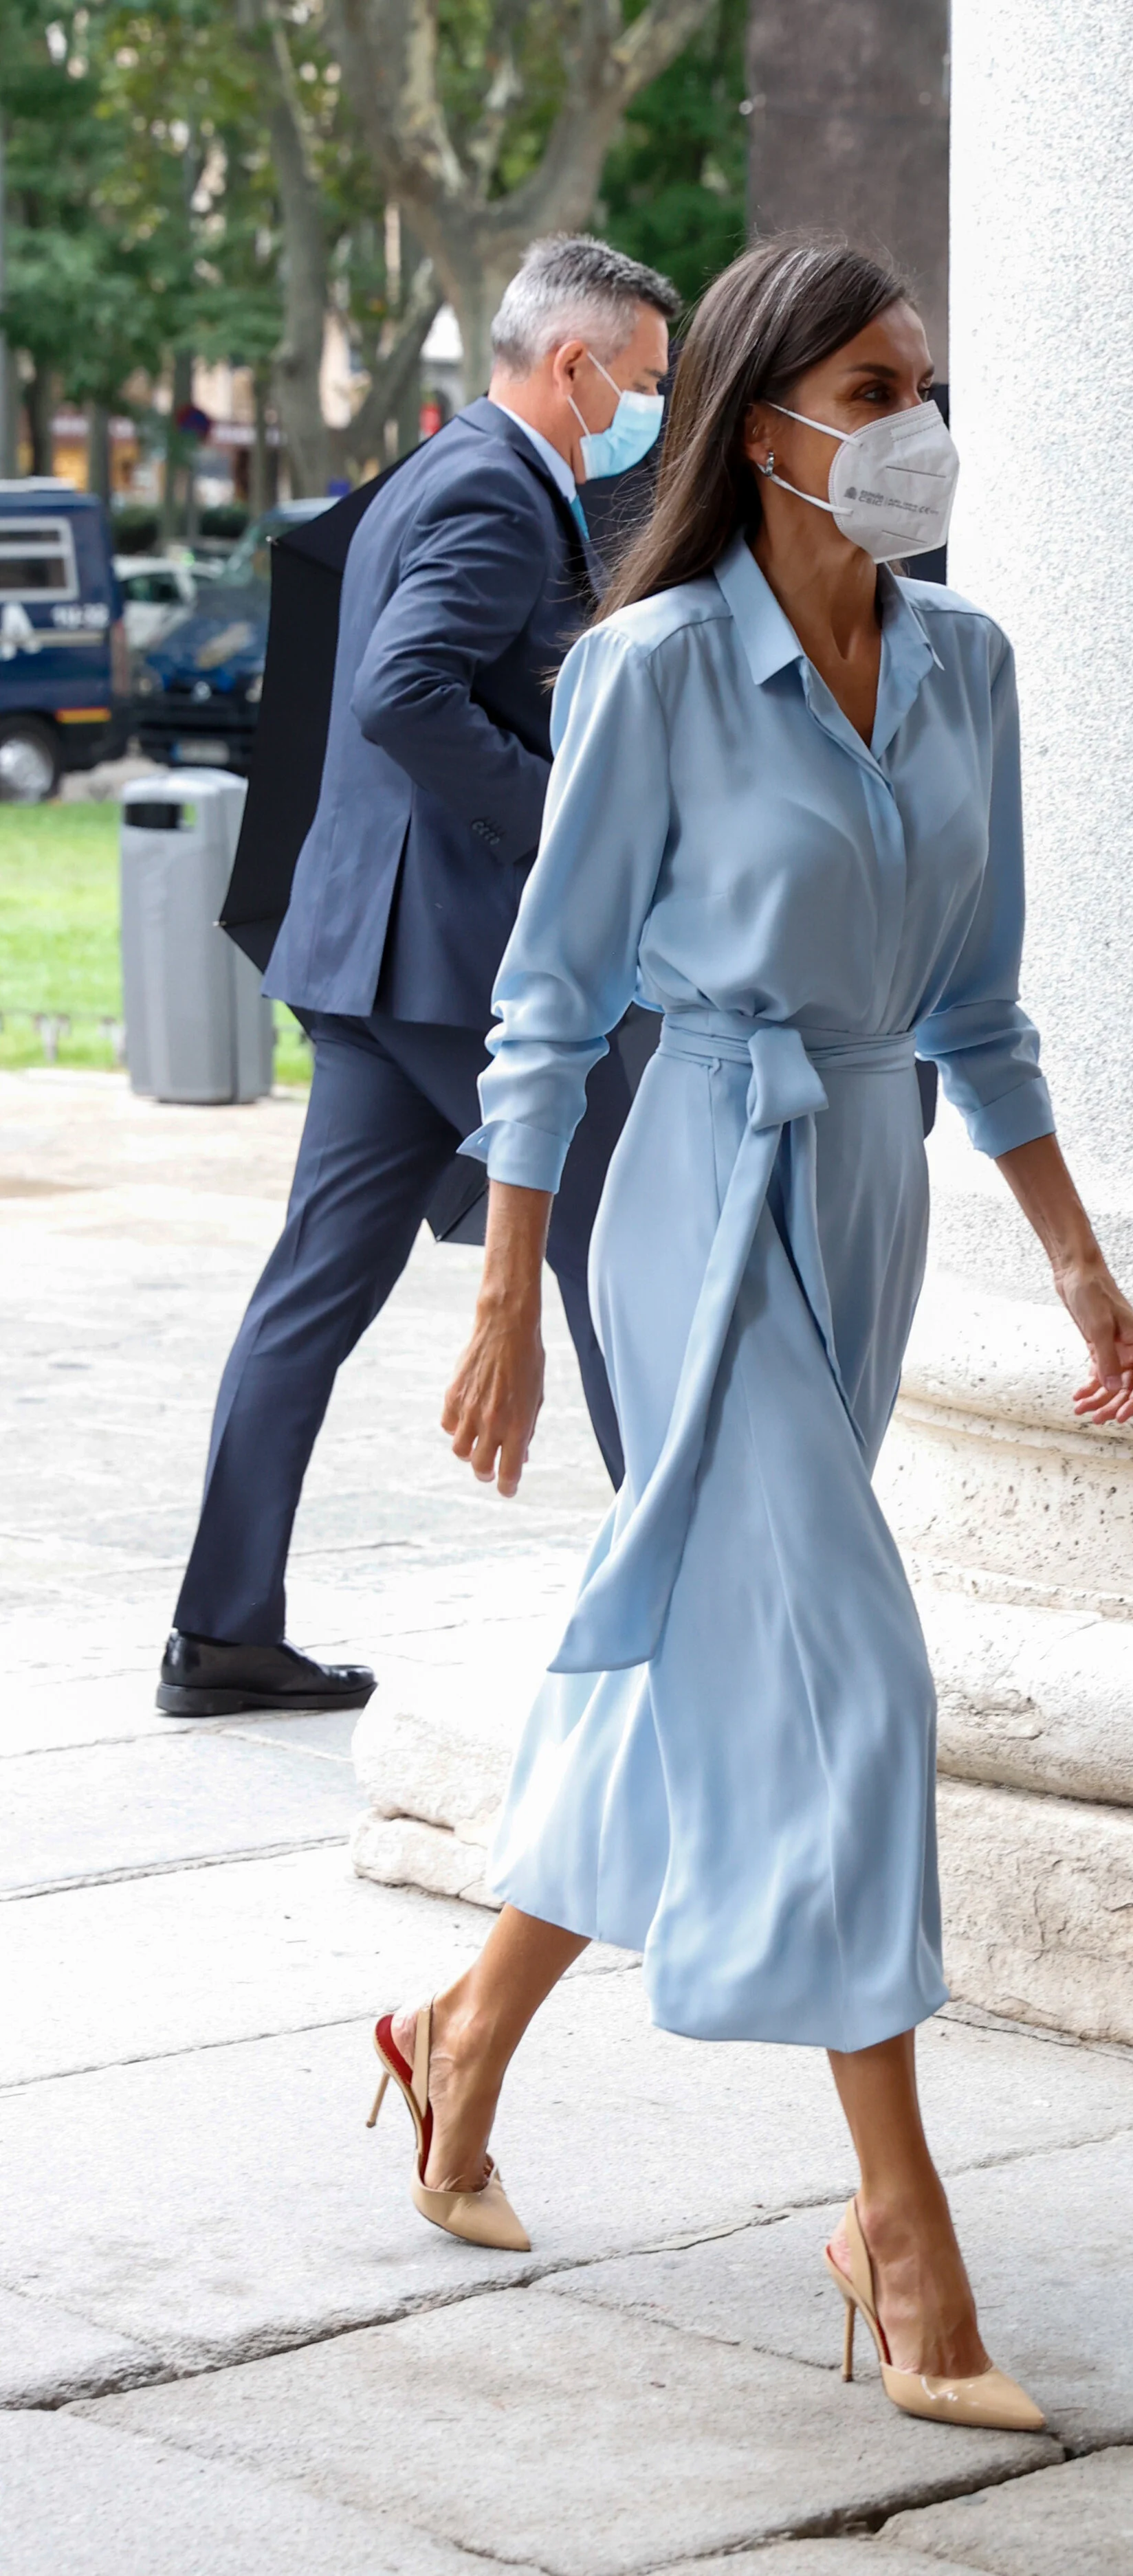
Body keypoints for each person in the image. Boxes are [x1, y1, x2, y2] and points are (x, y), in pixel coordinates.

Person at [366, 239, 1133, 2430]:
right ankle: (896, 2226)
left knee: (711, 1674)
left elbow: (977, 1010)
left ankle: (461, 2033)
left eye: (927, 377)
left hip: (869, 1183)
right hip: (696, 1189)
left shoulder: (972, 668)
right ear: (768, 412)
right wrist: (509, 1293)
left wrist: (1076, 1257)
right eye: (878, 381)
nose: (917, 419)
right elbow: (550, 998)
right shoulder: (650, 671)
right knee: (852, 1677)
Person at [157, 236, 680, 1721]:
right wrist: (562, 812)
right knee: (612, 1254)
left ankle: (222, 1630)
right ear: (571, 365)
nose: (645, 408)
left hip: (377, 958)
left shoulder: (449, 473)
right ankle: (697, 1604)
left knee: (315, 1289)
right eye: (640, 381)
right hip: (454, 961)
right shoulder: (494, 490)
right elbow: (402, 694)